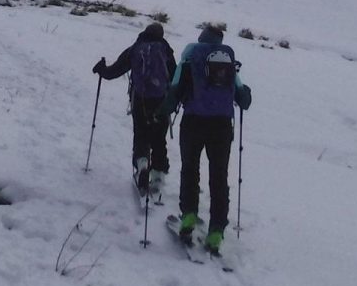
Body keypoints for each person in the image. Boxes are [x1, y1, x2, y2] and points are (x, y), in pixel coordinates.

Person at [165, 21, 251, 256]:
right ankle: (215, 232)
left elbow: (175, 88)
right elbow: (243, 98)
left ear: (201, 37)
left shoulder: (191, 55)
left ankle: (189, 216)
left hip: (193, 122)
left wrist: (162, 111)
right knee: (219, 177)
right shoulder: (226, 60)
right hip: (222, 126)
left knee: (190, 170)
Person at [92, 21, 175, 197]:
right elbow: (175, 76)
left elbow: (114, 71)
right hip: (162, 101)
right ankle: (159, 176)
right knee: (159, 138)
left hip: (140, 100)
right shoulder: (166, 50)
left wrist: (101, 69)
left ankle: (142, 166)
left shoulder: (135, 48)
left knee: (142, 135)